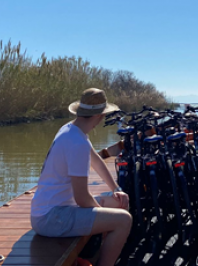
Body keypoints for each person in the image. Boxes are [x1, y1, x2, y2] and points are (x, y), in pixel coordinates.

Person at [30, 88, 131, 266]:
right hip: (51, 218)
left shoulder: (72, 130)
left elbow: (98, 162)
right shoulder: (77, 143)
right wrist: (101, 213)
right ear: (99, 116)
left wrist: (116, 190)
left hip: (55, 209)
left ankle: (94, 254)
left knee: (119, 202)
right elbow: (82, 198)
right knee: (123, 220)